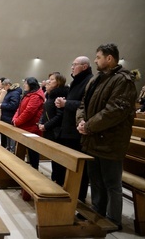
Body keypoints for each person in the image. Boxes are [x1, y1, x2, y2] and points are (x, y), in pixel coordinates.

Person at [76, 43, 137, 231]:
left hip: (111, 141)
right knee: (96, 180)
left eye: (98, 57)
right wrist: (81, 121)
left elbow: (114, 111)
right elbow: (82, 105)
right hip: (93, 138)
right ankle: (97, 212)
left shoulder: (123, 80)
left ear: (109, 58)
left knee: (112, 183)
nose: (95, 60)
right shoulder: (97, 79)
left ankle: (113, 220)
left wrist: (89, 126)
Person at [55, 56, 93, 202]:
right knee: (68, 166)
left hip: (77, 131)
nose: (72, 67)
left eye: (75, 65)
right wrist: (63, 103)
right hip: (68, 129)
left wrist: (66, 103)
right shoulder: (76, 81)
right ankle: (68, 194)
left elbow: (85, 106)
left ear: (84, 66)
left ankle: (78, 198)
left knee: (78, 170)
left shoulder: (89, 81)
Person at [38, 72, 68, 183]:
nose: (48, 81)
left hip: (57, 132)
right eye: (48, 79)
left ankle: (59, 181)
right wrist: (41, 123)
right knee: (53, 158)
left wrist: (46, 125)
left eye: (52, 79)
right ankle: (55, 179)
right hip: (49, 130)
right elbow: (45, 112)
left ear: (58, 82)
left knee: (58, 160)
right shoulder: (50, 95)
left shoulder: (60, 96)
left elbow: (60, 116)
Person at [12, 77, 44, 170]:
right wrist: (15, 119)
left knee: (33, 150)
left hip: (32, 127)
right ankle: (27, 168)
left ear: (31, 84)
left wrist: (17, 121)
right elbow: (20, 108)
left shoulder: (36, 96)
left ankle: (34, 169)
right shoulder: (29, 94)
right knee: (26, 149)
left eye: (26, 83)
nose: (24, 85)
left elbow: (29, 112)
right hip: (25, 126)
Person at [0, 79, 22, 151]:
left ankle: (11, 150)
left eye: (4, 86)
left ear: (8, 85)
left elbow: (13, 105)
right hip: (6, 116)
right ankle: (8, 148)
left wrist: (2, 105)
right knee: (7, 135)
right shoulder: (10, 92)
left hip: (10, 117)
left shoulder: (15, 93)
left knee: (11, 135)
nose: (3, 88)